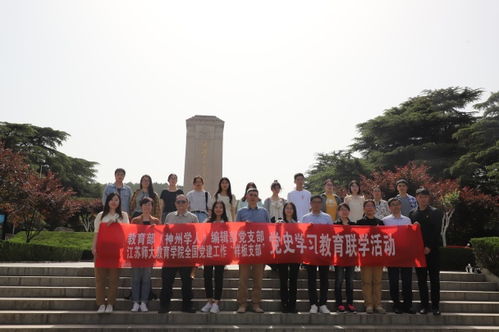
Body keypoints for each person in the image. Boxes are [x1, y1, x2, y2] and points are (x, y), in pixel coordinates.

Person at [159, 194, 199, 313]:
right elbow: (165, 235)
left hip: (186, 254)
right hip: (171, 254)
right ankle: (164, 306)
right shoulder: (169, 216)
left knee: (187, 282)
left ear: (187, 203)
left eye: (183, 202)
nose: (181, 204)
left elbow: (197, 235)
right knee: (166, 282)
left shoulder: (193, 218)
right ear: (175, 204)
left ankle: (187, 306)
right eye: (179, 202)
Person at [92, 192, 130, 313]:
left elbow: (127, 232)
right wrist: (93, 247)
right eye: (111, 200)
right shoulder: (101, 215)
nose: (114, 202)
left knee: (114, 279)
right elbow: (96, 233)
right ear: (107, 201)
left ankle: (110, 304)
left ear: (119, 202)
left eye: (116, 200)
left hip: (116, 250)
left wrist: (116, 222)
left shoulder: (123, 216)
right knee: (100, 279)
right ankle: (101, 303)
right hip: (102, 249)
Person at [235, 187, 270, 313]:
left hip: (259, 249)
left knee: (258, 278)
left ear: (258, 197)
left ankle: (256, 303)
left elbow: (268, 230)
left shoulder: (264, 212)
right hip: (245, 249)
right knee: (243, 278)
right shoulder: (241, 212)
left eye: (255, 194)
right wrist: (244, 226)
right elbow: (236, 230)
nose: (253, 197)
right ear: (246, 196)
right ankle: (242, 303)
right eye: (251, 194)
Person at [409, 188, 442, 316]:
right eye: (420, 197)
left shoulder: (435, 212)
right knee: (421, 280)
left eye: (425, 197)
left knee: (434, 279)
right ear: (416, 198)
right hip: (418, 253)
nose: (423, 199)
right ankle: (424, 306)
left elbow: (436, 232)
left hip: (432, 251)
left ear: (428, 198)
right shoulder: (412, 214)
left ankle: (435, 306)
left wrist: (429, 246)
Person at [301, 195, 333, 313]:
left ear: (321, 204)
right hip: (311, 252)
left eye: (319, 202)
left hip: (324, 251)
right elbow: (302, 235)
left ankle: (323, 303)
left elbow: (331, 234)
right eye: (314, 202)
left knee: (324, 278)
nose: (316, 204)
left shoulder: (327, 218)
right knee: (311, 279)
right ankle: (313, 303)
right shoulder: (305, 218)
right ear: (310, 203)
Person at [382, 197, 415, 314]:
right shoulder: (385, 221)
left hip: (405, 254)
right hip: (392, 254)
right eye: (393, 205)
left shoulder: (407, 220)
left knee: (407, 281)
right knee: (394, 281)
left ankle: (408, 305)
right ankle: (396, 304)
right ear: (389, 207)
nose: (395, 207)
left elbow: (411, 236)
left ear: (400, 205)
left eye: (397, 204)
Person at [130, 197, 160, 313]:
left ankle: (144, 302)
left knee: (147, 278)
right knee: (136, 278)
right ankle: (135, 301)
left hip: (149, 253)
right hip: (137, 253)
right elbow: (130, 236)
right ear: (141, 206)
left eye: (149, 205)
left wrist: (155, 230)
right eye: (145, 204)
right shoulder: (135, 220)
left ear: (152, 207)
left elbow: (160, 237)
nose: (147, 207)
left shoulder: (156, 221)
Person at [357, 200, 385, 314]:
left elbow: (385, 239)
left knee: (377, 281)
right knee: (367, 281)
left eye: (371, 206)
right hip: (365, 256)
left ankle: (377, 304)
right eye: (367, 206)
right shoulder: (359, 222)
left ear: (375, 209)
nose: (369, 208)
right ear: (364, 209)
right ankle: (368, 304)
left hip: (378, 255)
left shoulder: (380, 222)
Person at [200, 201, 229, 314]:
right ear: (213, 209)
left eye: (220, 207)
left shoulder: (226, 223)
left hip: (220, 253)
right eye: (216, 207)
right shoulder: (207, 221)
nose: (218, 209)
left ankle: (216, 302)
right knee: (207, 276)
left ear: (223, 210)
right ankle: (209, 301)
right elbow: (202, 235)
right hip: (208, 252)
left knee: (218, 277)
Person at [276, 202, 299, 313]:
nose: (289, 210)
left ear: (294, 211)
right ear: (284, 210)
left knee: (293, 280)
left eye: (291, 208)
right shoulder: (279, 223)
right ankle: (284, 303)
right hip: (283, 254)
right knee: (283, 280)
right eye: (287, 208)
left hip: (295, 255)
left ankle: (292, 304)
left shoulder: (298, 224)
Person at [334, 203, 357, 313]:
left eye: (346, 209)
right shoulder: (334, 224)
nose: (344, 211)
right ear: (338, 212)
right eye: (341, 209)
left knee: (350, 281)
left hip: (351, 256)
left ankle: (350, 303)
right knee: (339, 280)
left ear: (349, 211)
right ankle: (339, 303)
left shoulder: (354, 225)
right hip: (339, 257)